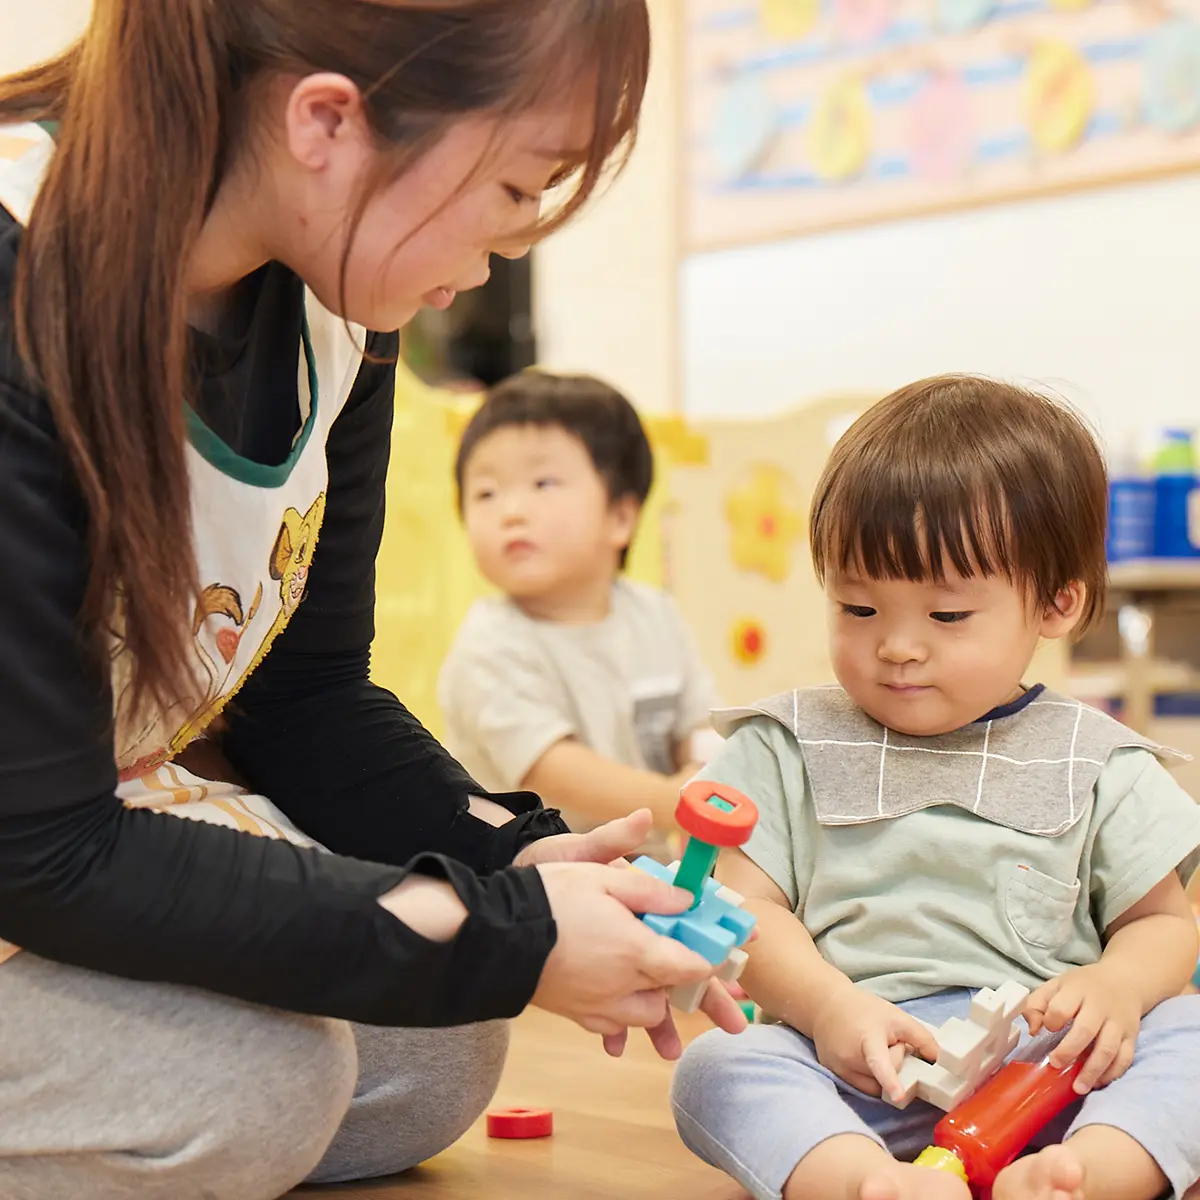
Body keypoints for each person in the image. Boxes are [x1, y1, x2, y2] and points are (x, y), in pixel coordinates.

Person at [0, 4, 746, 1198]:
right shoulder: (19, 280)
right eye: (516, 189)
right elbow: (40, 848)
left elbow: (310, 701)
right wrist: (508, 929)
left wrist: (535, 869)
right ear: (328, 123)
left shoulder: (331, 303)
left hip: (61, 842)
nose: (507, 249)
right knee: (250, 1077)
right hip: (36, 848)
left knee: (430, 1050)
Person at [669, 376, 1200, 1200]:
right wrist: (830, 1009)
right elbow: (747, 914)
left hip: (1049, 1072)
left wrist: (1116, 988)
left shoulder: (1099, 760)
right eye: (858, 607)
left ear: (1057, 603)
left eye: (947, 617)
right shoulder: (786, 746)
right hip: (855, 1062)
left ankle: (1084, 1173)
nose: (899, 647)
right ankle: (864, 1183)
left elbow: (1164, 924)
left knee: (1191, 1033)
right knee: (721, 1066)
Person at [438, 370, 722, 839]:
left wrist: (704, 767)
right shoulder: (489, 643)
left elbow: (699, 726)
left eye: (543, 483)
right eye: (486, 492)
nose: (511, 511)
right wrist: (679, 802)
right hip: (527, 869)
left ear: (620, 517)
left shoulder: (656, 615)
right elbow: (553, 771)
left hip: (645, 859)